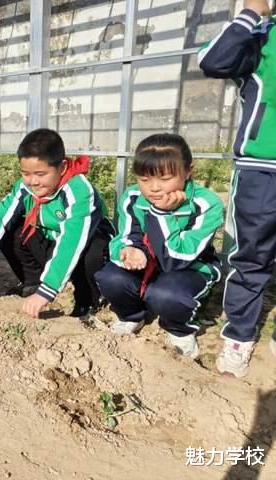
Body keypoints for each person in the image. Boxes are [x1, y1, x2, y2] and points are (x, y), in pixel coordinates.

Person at [95, 133, 224, 359]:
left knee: (166, 294)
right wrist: (130, 250)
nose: (154, 188)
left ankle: (180, 330)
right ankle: (131, 316)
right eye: (144, 179)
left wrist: (161, 213)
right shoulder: (133, 197)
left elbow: (177, 259)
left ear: (188, 171)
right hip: (150, 262)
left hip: (188, 267)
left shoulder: (206, 204)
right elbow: (126, 235)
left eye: (165, 178)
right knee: (110, 277)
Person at [199, 0, 276, 376]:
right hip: (261, 171)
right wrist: (251, 14)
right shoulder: (261, 37)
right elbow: (212, 61)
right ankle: (239, 335)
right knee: (250, 257)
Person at [0, 128, 114, 319]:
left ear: (62, 167)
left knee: (93, 252)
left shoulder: (79, 191)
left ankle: (88, 301)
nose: (33, 181)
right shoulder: (24, 188)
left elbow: (71, 243)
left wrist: (47, 291)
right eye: (25, 173)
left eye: (41, 174)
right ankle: (32, 284)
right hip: (52, 241)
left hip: (83, 245)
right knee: (13, 231)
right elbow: (0, 221)